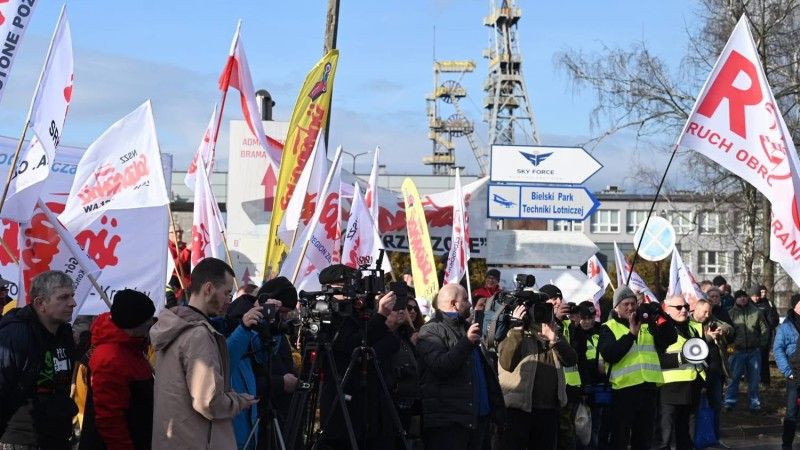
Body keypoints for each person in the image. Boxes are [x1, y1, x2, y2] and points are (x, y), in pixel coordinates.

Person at [150, 258, 258, 450]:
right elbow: (208, 402)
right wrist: (239, 401)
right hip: (196, 441)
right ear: (208, 289)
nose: (228, 301)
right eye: (226, 293)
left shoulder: (173, 324)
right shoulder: (198, 334)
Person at [316, 264, 404, 449]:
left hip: (368, 404)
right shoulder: (328, 315)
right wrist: (380, 316)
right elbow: (351, 345)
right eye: (347, 286)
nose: (354, 291)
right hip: (341, 401)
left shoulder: (360, 312)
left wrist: (381, 319)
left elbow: (391, 342)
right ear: (332, 288)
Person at [417, 284, 505, 450]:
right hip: (451, 425)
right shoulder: (430, 330)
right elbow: (440, 366)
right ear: (453, 304)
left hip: (479, 421)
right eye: (465, 299)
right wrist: (466, 343)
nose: (470, 304)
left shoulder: (467, 328)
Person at [0, 271, 78, 450]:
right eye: (63, 297)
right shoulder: (15, 334)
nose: (72, 303)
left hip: (58, 438)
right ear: (40, 303)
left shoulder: (65, 334)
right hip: (21, 440)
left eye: (72, 296)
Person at [598, 285, 677, 450]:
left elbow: (670, 338)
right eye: (625, 304)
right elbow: (610, 354)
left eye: (633, 303)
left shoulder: (647, 324)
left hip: (648, 388)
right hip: (623, 391)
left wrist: (660, 314)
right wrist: (631, 335)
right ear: (616, 308)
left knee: (643, 439)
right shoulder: (608, 327)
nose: (630, 307)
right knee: (620, 438)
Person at [496, 295, 578, 450]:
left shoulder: (553, 331)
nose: (544, 313)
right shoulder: (514, 331)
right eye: (540, 309)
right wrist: (517, 329)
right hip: (519, 410)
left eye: (548, 309)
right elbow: (506, 363)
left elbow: (571, 359)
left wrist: (554, 340)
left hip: (548, 411)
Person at [79, 290, 156, 450]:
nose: (151, 323)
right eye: (147, 320)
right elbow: (110, 419)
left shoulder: (133, 347)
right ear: (133, 324)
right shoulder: (110, 358)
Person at [655, 296, 705, 450]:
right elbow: (655, 359)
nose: (683, 310)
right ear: (666, 309)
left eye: (685, 306)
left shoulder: (693, 327)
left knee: (686, 436)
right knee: (666, 437)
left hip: (691, 387)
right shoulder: (659, 329)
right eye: (678, 307)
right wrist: (682, 358)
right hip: (669, 388)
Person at [538, 284, 580, 450]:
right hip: (551, 389)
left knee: (569, 434)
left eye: (560, 297)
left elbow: (575, 354)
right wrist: (553, 319)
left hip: (570, 387)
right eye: (554, 298)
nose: (558, 301)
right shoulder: (541, 322)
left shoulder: (567, 324)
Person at [691, 298, 732, 448]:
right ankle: (694, 440)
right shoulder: (689, 323)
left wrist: (723, 330)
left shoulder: (711, 320)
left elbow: (729, 328)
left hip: (715, 371)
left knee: (716, 405)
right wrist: (708, 337)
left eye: (709, 311)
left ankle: (715, 438)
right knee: (694, 408)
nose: (707, 315)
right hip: (697, 372)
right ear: (696, 309)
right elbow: (694, 345)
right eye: (705, 312)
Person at [724, 289, 769, 413]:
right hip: (736, 351)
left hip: (754, 352)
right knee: (733, 378)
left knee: (754, 379)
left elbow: (764, 330)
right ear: (735, 299)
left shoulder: (756, 312)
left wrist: (761, 345)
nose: (742, 299)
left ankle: (755, 404)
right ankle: (729, 402)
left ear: (748, 298)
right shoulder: (730, 314)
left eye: (744, 296)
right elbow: (727, 335)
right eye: (739, 297)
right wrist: (730, 351)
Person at [573, 301, 609, 450]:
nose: (587, 321)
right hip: (581, 386)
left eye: (590, 317)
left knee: (597, 424)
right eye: (584, 318)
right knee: (580, 426)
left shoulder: (601, 331)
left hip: (600, 385)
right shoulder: (575, 333)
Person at [774, 293, 800, 450]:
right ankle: (787, 445)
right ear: (796, 306)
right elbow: (778, 349)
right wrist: (788, 371)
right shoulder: (785, 327)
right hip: (795, 374)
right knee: (791, 412)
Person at [751, 285, 779, 387]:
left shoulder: (769, 304)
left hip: (766, 335)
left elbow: (774, 319)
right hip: (753, 335)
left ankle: (765, 381)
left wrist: (769, 327)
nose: (762, 294)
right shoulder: (751, 303)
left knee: (763, 358)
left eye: (764, 292)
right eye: (760, 292)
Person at [167, 224, 191, 295]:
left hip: (188, 289)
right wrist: (187, 251)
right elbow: (173, 267)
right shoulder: (166, 248)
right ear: (168, 234)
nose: (179, 234)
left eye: (180, 232)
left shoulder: (183, 247)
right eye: (175, 231)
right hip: (176, 291)